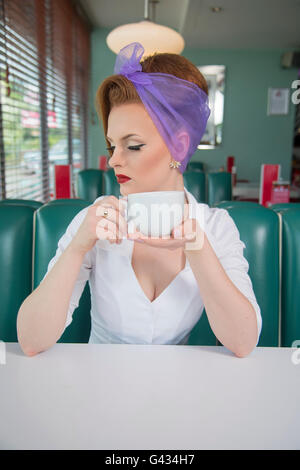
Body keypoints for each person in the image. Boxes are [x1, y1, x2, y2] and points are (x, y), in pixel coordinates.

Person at [17, 42, 262, 357]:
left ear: (179, 146)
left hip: (176, 392)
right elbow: (31, 341)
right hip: (97, 386)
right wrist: (78, 247)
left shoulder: (216, 227)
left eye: (132, 146)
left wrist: (198, 249)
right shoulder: (95, 221)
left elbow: (243, 343)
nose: (114, 161)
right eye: (111, 146)